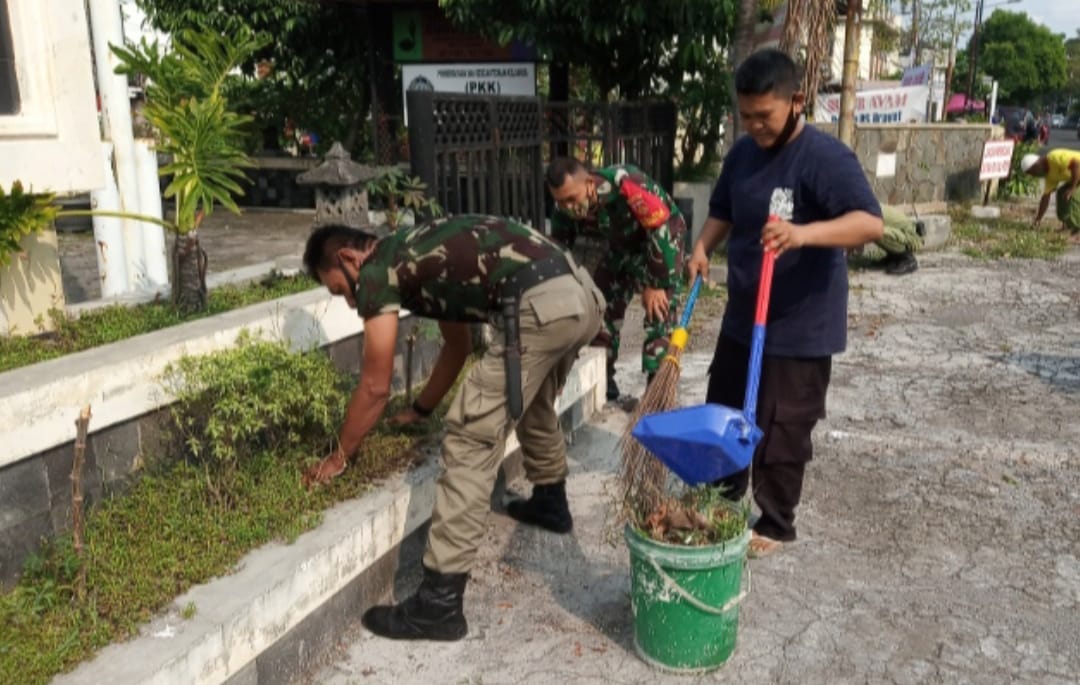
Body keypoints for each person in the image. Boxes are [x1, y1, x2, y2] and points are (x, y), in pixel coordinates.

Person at [301, 215, 605, 641]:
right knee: (533, 400)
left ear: (349, 257)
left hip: (541, 304)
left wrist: (339, 457)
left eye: (339, 289)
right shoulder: (420, 255)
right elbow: (457, 346)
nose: (352, 303)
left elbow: (374, 386)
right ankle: (551, 502)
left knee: (469, 435)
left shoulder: (376, 269)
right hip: (580, 297)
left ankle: (438, 605)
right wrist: (422, 409)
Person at [686, 49, 884, 558]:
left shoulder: (825, 158)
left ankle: (775, 521)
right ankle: (723, 497)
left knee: (782, 423)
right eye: (745, 115)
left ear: (797, 101)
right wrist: (703, 247)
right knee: (726, 409)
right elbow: (724, 209)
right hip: (743, 314)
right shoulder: (742, 154)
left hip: (800, 322)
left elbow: (869, 222)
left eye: (764, 116)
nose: (754, 126)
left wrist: (803, 234)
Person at [546, 157, 686, 402]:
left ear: (589, 183)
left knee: (658, 313)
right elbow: (559, 250)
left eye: (571, 199)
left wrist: (655, 283)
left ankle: (658, 393)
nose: (568, 207)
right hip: (620, 248)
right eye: (560, 201)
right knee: (600, 306)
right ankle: (603, 378)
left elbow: (661, 228)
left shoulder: (625, 183)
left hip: (661, 243)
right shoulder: (563, 209)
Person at [1021, 150, 1080, 237]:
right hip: (1077, 177)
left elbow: (1076, 164)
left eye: (1033, 173)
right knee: (1061, 194)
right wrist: (1038, 219)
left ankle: (1078, 230)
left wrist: (1072, 188)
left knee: (1074, 197)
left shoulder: (1053, 158)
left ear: (1036, 165)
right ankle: (1067, 225)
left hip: (1078, 172)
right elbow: (1046, 197)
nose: (1034, 176)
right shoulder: (1049, 175)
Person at [874, 205, 922, 276]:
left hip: (911, 237)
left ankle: (907, 259)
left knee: (873, 230)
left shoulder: (864, 208)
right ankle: (894, 256)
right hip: (904, 232)